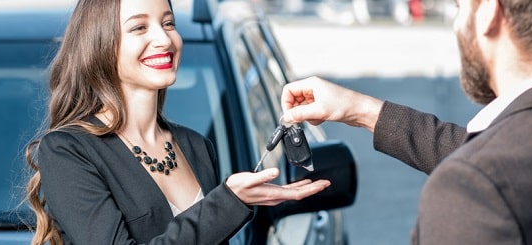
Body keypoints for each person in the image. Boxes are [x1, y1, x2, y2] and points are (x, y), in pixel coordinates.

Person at [281, 0, 532, 244]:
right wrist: (361, 110)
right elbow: (512, 161)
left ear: (488, 11)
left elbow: (494, 174)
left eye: (457, 7)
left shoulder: (472, 190)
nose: (457, 23)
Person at [23, 0, 330, 244]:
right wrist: (228, 202)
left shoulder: (195, 145)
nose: (163, 38)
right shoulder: (69, 151)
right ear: (101, 44)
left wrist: (232, 203)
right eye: (139, 27)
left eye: (168, 23)